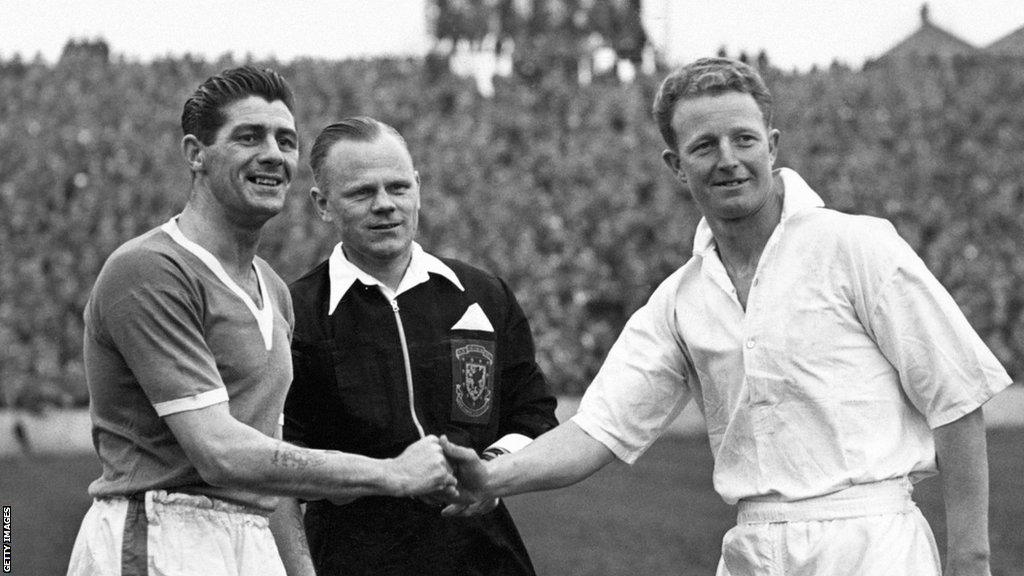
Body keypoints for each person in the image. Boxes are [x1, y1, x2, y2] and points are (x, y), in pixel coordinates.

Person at [441, 57, 1011, 576]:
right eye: (705, 146)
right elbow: (597, 431)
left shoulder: (856, 246)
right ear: (675, 166)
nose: (729, 159)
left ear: (773, 145)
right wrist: (492, 477)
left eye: (744, 139)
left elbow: (957, 394)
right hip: (752, 549)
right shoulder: (679, 299)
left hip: (873, 542)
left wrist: (970, 559)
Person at [66, 66, 457, 576]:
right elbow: (220, 454)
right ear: (195, 153)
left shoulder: (274, 290)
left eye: (286, 140)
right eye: (248, 136)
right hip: (163, 530)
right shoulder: (149, 270)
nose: (273, 153)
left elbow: (267, 464)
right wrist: (389, 473)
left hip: (249, 537)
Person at [272, 116, 558, 576]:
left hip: (487, 558)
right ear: (323, 204)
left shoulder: (483, 294)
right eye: (363, 193)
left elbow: (535, 414)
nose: (385, 205)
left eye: (399, 187)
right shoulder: (294, 313)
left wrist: (490, 471)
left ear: (419, 189)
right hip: (354, 560)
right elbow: (282, 450)